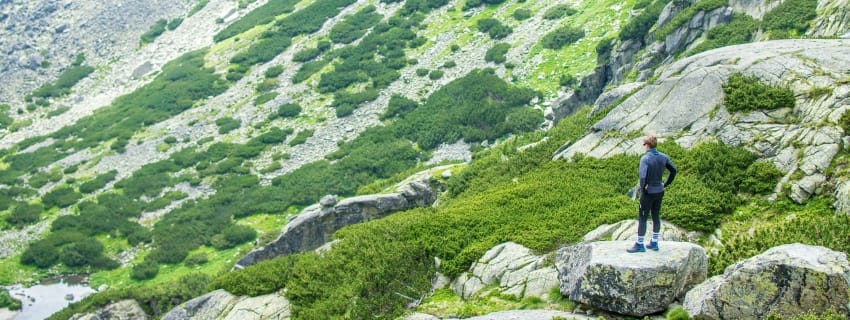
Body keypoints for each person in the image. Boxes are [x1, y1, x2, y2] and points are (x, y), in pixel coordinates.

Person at [627, 134, 677, 253]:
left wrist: (643, 189)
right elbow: (674, 170)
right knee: (656, 215)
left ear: (647, 145)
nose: (643, 146)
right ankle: (654, 243)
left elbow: (642, 177)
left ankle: (639, 244)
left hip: (648, 192)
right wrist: (665, 184)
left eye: (644, 144)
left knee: (643, 217)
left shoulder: (645, 159)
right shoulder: (663, 157)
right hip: (659, 190)